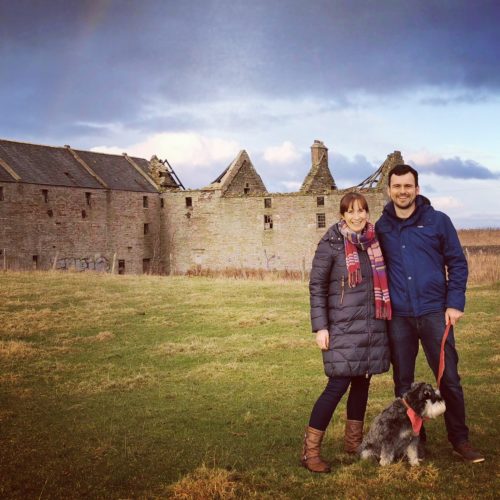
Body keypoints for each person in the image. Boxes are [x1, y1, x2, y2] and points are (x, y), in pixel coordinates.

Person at [375, 164, 484, 463]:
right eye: (397, 186)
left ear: (417, 189)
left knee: (448, 378)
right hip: (399, 317)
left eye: (408, 186)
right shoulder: (381, 227)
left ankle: (459, 440)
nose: (402, 191)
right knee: (404, 382)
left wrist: (455, 302)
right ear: (389, 190)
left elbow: (457, 263)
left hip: (436, 312)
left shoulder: (438, 221)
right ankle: (414, 441)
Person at [301, 192, 392, 473]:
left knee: (362, 385)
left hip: (371, 326)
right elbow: (317, 287)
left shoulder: (375, 242)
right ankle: (310, 451)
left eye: (362, 210)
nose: (357, 216)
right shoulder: (331, 244)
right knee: (336, 386)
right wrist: (321, 327)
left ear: (367, 212)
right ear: (342, 215)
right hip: (341, 328)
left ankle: (353, 443)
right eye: (351, 211)